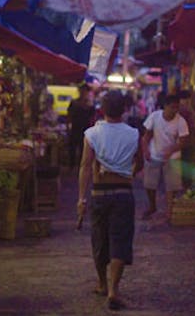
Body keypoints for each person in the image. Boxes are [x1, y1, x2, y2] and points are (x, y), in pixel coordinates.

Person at [77, 90, 143, 311]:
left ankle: (102, 283)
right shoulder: (134, 134)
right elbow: (140, 162)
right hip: (123, 193)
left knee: (100, 239)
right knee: (120, 240)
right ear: (124, 110)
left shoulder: (92, 134)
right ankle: (114, 290)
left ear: (102, 110)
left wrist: (80, 199)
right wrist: (128, 172)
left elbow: (85, 166)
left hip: (99, 193)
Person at [141, 93, 190, 221]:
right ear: (165, 106)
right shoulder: (155, 117)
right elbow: (146, 136)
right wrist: (145, 150)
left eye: (176, 108)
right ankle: (152, 206)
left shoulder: (181, 121)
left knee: (171, 186)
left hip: (173, 158)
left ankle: (169, 212)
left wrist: (172, 150)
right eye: (172, 107)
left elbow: (183, 141)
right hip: (154, 154)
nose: (175, 111)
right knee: (149, 184)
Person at [67, 83, 95, 168]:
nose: (83, 92)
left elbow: (92, 118)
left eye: (85, 91)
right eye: (82, 90)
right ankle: (71, 166)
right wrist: (68, 126)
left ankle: (80, 166)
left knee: (83, 149)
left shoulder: (90, 105)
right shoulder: (74, 102)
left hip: (85, 129)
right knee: (72, 148)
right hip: (75, 128)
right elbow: (69, 115)